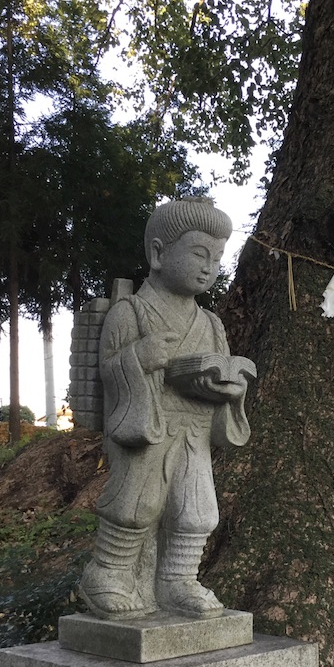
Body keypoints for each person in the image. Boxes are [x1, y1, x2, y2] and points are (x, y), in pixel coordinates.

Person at [78, 198, 253, 620]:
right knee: (137, 504)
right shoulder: (130, 313)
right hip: (148, 427)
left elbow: (221, 368)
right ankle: (108, 573)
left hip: (194, 429)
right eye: (198, 254)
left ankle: (178, 579)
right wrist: (140, 357)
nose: (208, 267)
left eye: (217, 258)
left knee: (197, 511)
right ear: (158, 253)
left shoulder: (211, 324)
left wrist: (229, 389)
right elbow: (110, 369)